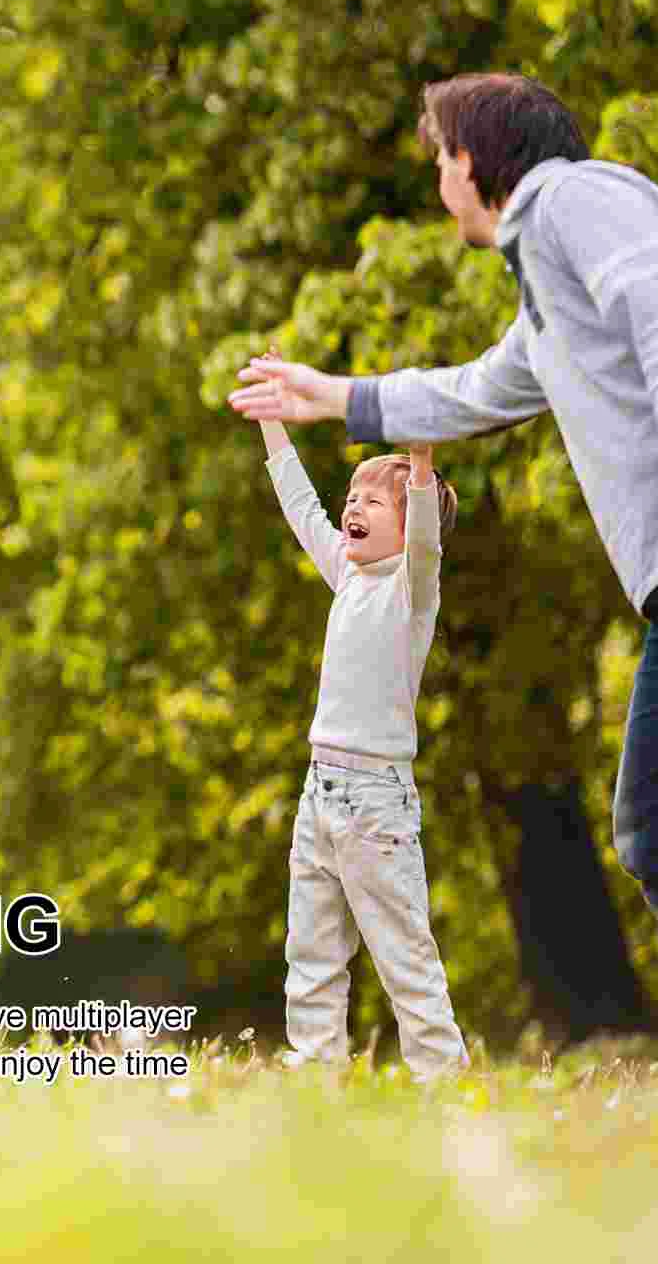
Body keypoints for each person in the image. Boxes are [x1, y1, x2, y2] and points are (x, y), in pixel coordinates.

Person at [229, 73, 658, 1098]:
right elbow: (477, 389)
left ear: (474, 160)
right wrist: (330, 396)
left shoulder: (575, 199)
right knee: (656, 822)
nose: (437, 182)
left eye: (438, 161)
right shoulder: (546, 285)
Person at [244, 369, 466, 1081]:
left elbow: (425, 542)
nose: (353, 507)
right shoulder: (347, 574)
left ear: (406, 524)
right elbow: (300, 503)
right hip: (321, 794)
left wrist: (422, 465)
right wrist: (273, 424)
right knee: (310, 950)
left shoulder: (411, 592)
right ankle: (317, 1076)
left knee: (404, 954)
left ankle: (445, 1083)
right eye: (353, 498)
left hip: (376, 803)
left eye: (373, 499)